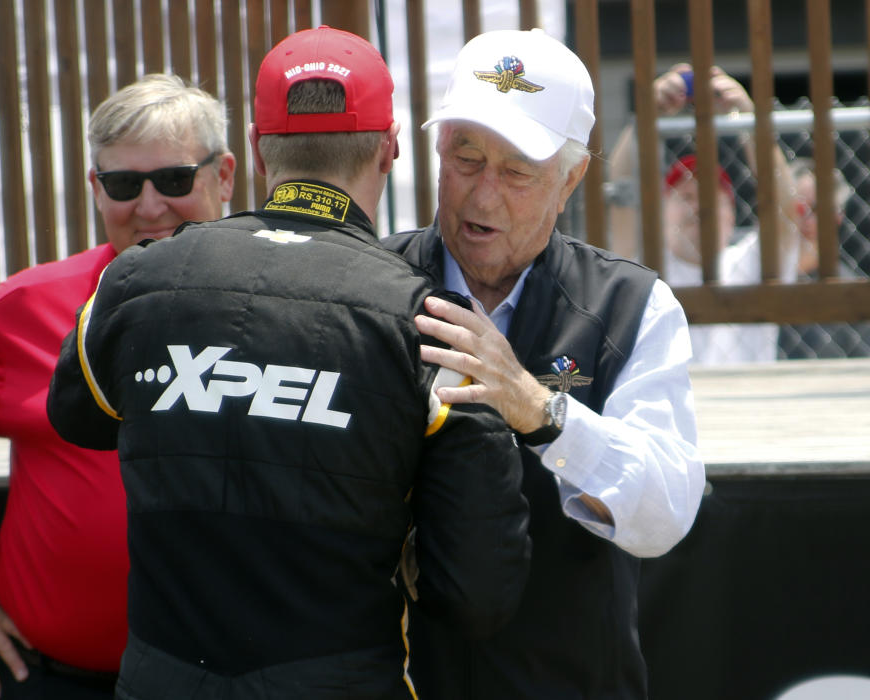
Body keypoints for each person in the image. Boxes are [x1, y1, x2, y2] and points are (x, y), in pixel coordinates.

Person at [47, 26, 531, 700]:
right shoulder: (437, 326)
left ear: (252, 147)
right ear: (389, 147)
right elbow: (480, 592)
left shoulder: (137, 283)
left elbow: (76, 416)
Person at [383, 28, 705, 699]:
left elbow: (666, 513)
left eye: (517, 172)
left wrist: (540, 411)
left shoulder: (629, 305)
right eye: (465, 158)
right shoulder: (373, 284)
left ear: (572, 179)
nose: (482, 195)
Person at [0, 74, 235, 700]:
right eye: (122, 184)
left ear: (222, 176)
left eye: (173, 179)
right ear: (95, 188)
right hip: (54, 681)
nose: (149, 206)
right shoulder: (22, 309)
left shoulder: (288, 307)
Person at [609, 64, 799, 364]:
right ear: (662, 213)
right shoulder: (643, 266)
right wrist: (643, 119)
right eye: (685, 196)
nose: (699, 206)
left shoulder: (751, 262)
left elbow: (784, 206)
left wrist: (749, 121)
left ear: (733, 215)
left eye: (713, 197)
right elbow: (620, 192)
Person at [778, 157, 870, 358]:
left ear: (838, 217)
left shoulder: (851, 291)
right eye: (798, 208)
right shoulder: (755, 272)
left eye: (816, 209)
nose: (805, 219)